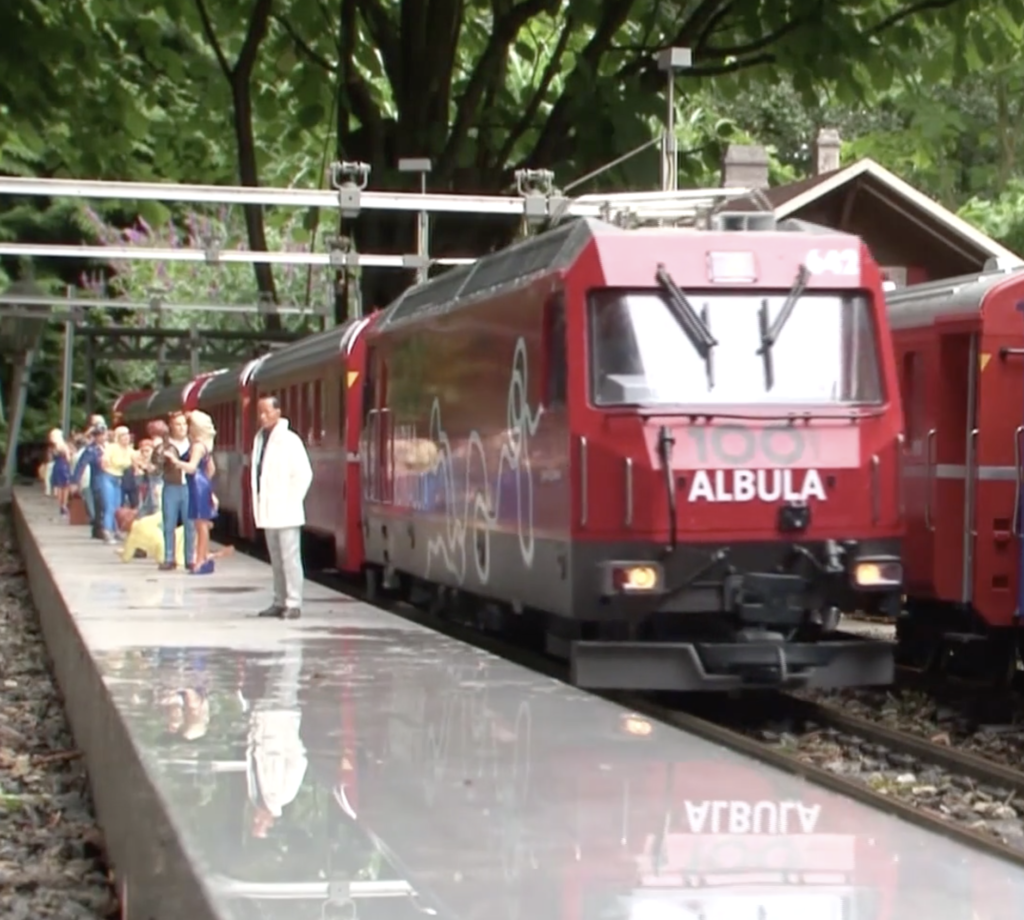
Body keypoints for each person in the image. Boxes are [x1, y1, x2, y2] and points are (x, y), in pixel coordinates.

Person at [251, 396, 313, 620]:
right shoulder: (260, 439)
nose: (262, 417)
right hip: (268, 511)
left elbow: (304, 474)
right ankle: (279, 600)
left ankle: (293, 602)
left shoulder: (290, 440)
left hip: (287, 512)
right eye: (259, 412)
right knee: (276, 560)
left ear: (278, 412)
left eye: (267, 412)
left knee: (290, 559)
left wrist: (291, 502)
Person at [164, 410, 225, 575]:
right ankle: (202, 558)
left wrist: (175, 461)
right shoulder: (203, 445)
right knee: (200, 525)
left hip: (196, 486)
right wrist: (206, 483)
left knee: (200, 526)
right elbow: (211, 469)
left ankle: (200, 561)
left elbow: (191, 468)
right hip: (200, 484)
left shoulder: (197, 446)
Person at [159, 413, 195, 572]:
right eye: (178, 424)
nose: (182, 428)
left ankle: (190, 558)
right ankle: (169, 558)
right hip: (171, 486)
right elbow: (156, 466)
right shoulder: (164, 446)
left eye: (184, 424)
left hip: (190, 487)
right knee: (169, 524)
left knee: (190, 524)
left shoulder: (193, 444)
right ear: (171, 426)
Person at [72, 425, 108, 540]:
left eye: (103, 435)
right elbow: (81, 465)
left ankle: (100, 528)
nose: (102, 438)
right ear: (95, 437)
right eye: (99, 435)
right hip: (98, 478)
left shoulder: (108, 447)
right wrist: (75, 481)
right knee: (100, 504)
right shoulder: (90, 450)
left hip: (110, 478)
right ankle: (99, 528)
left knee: (106, 505)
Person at [100, 427, 136, 544]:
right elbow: (106, 460)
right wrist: (105, 461)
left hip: (119, 479)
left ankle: (116, 530)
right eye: (123, 435)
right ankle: (107, 531)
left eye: (127, 435)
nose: (126, 437)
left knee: (117, 507)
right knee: (109, 506)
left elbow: (137, 458)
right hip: (109, 477)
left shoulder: (130, 450)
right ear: (118, 437)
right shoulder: (112, 448)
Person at [48, 429, 72, 517]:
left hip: (56, 466)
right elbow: (68, 458)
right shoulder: (64, 446)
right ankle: (64, 506)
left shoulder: (53, 447)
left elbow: (51, 458)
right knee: (65, 487)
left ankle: (60, 505)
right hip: (64, 466)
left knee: (59, 487)